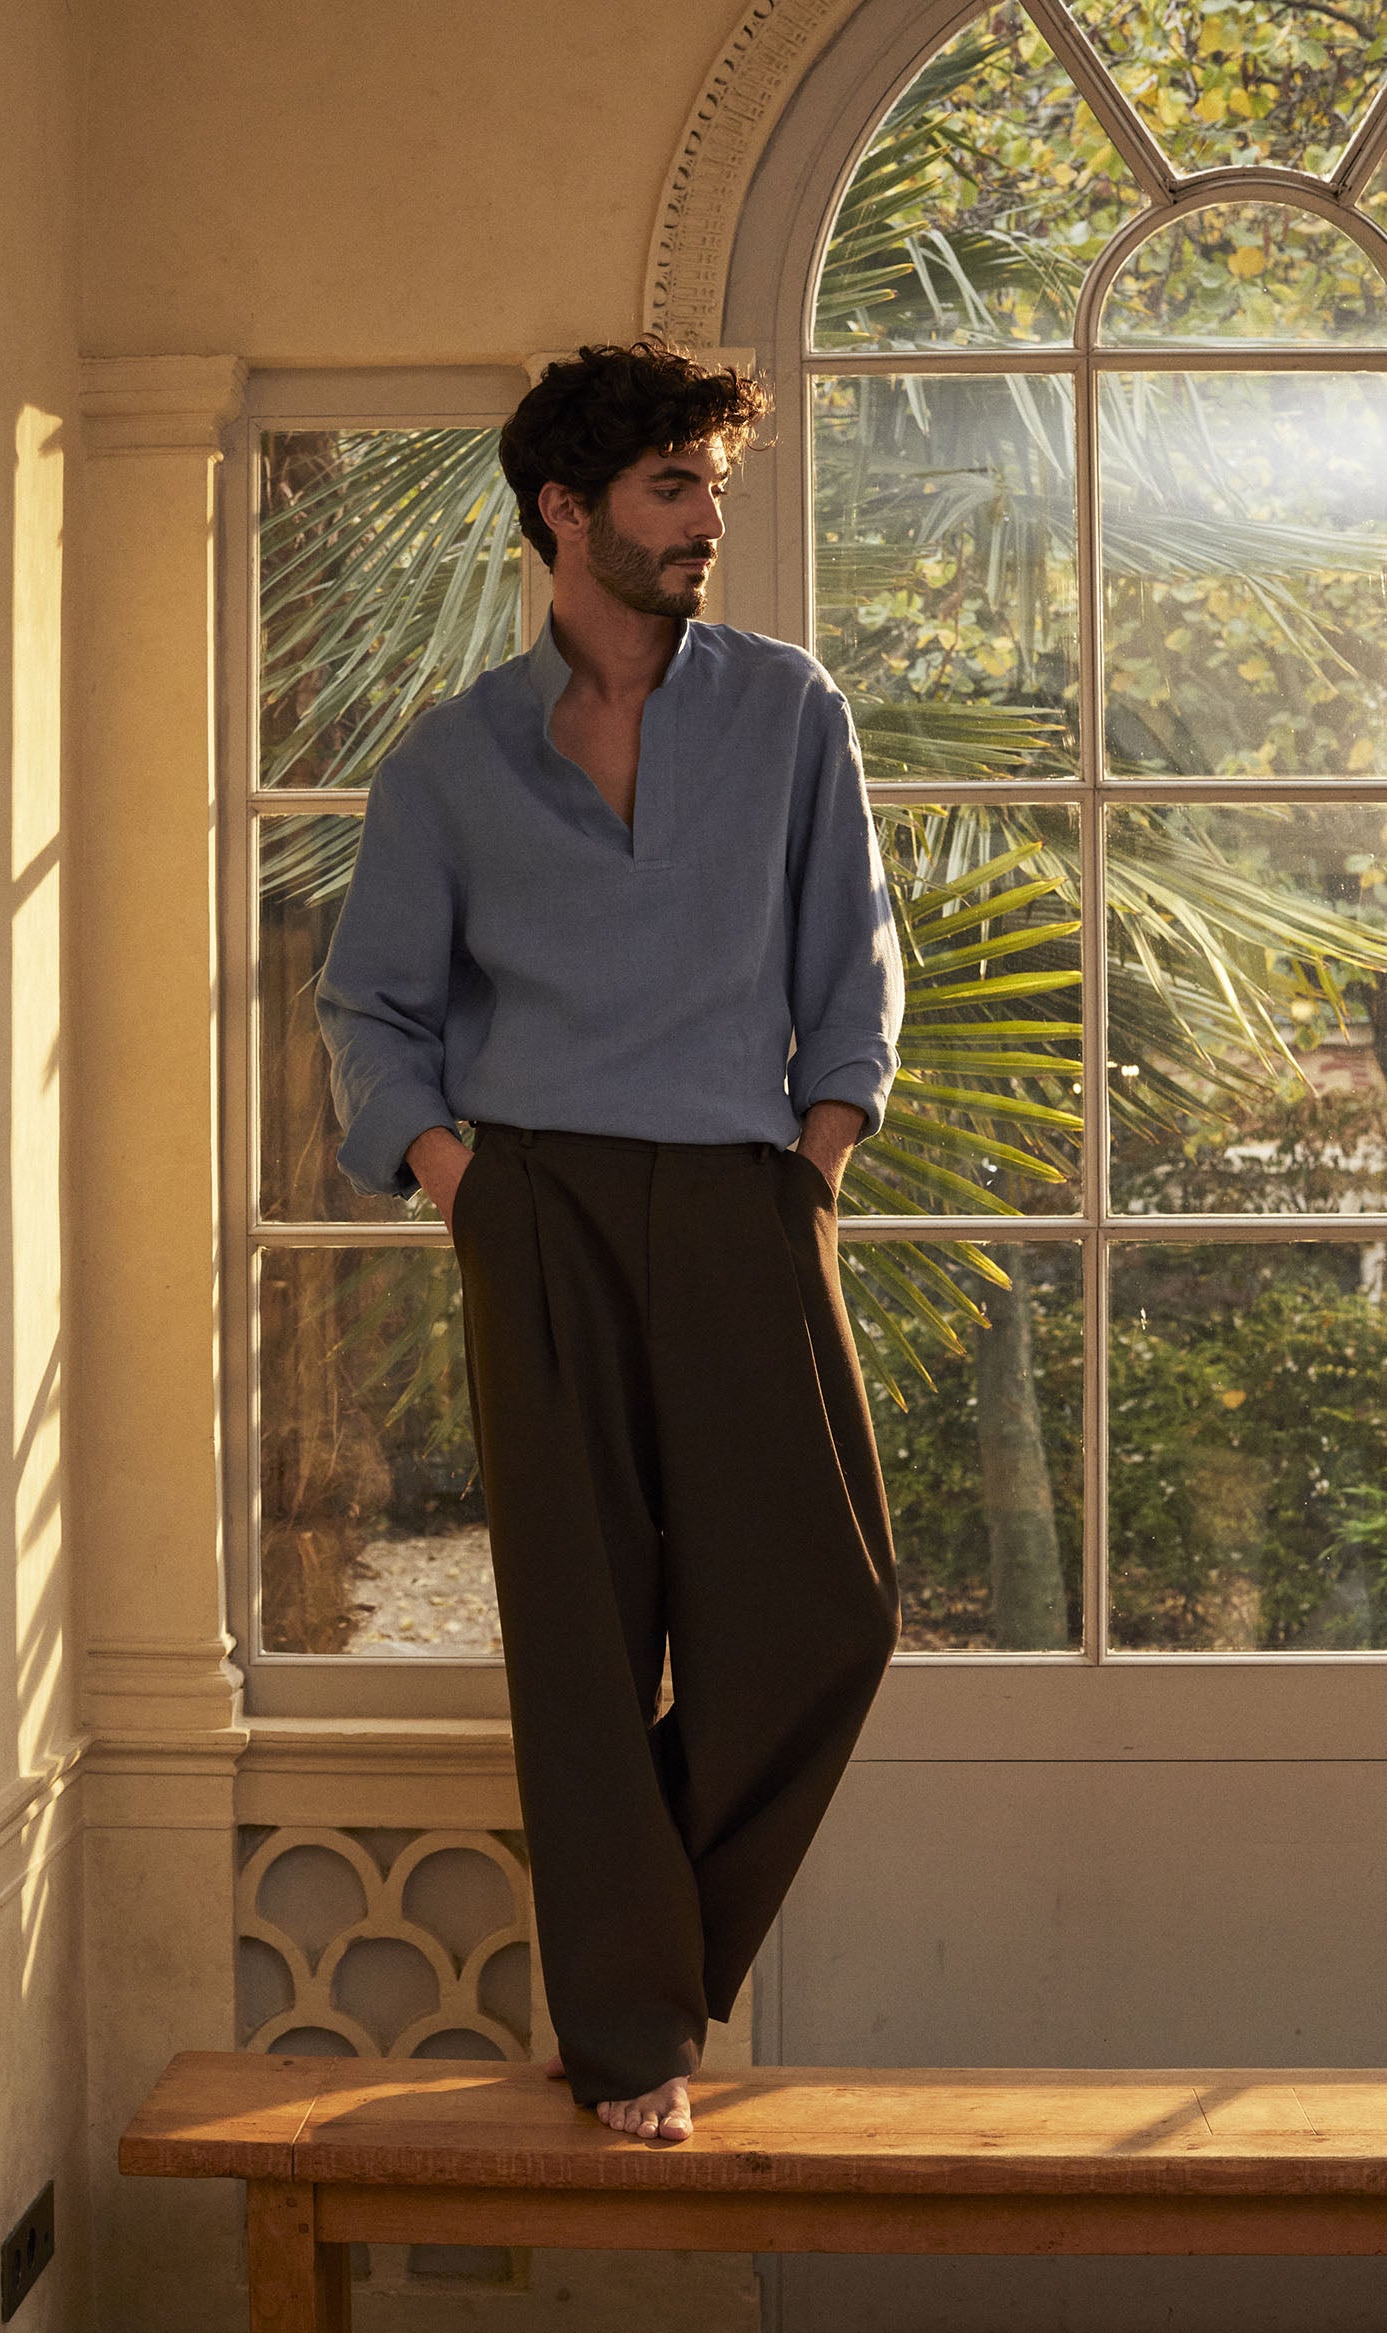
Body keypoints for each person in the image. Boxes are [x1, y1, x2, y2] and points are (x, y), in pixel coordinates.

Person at [316, 341, 903, 2143]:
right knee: (582, 1636)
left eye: (713, 485)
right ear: (566, 512)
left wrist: (813, 1159)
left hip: (742, 1194)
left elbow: (854, 958)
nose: (708, 520)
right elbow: (373, 1006)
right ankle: (632, 2042)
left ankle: (632, 1950)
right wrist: (465, 1188)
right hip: (540, 1210)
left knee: (828, 1615)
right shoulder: (452, 763)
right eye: (673, 488)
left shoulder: (788, 709)